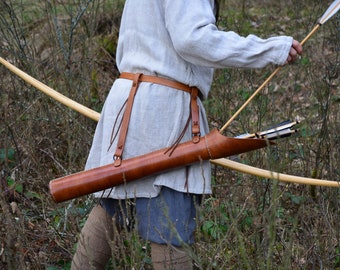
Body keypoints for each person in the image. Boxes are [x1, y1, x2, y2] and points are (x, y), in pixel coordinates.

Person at [71, 0, 302, 269]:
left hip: (130, 103)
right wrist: (268, 49)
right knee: (169, 218)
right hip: (163, 110)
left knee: (114, 206)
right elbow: (193, 39)